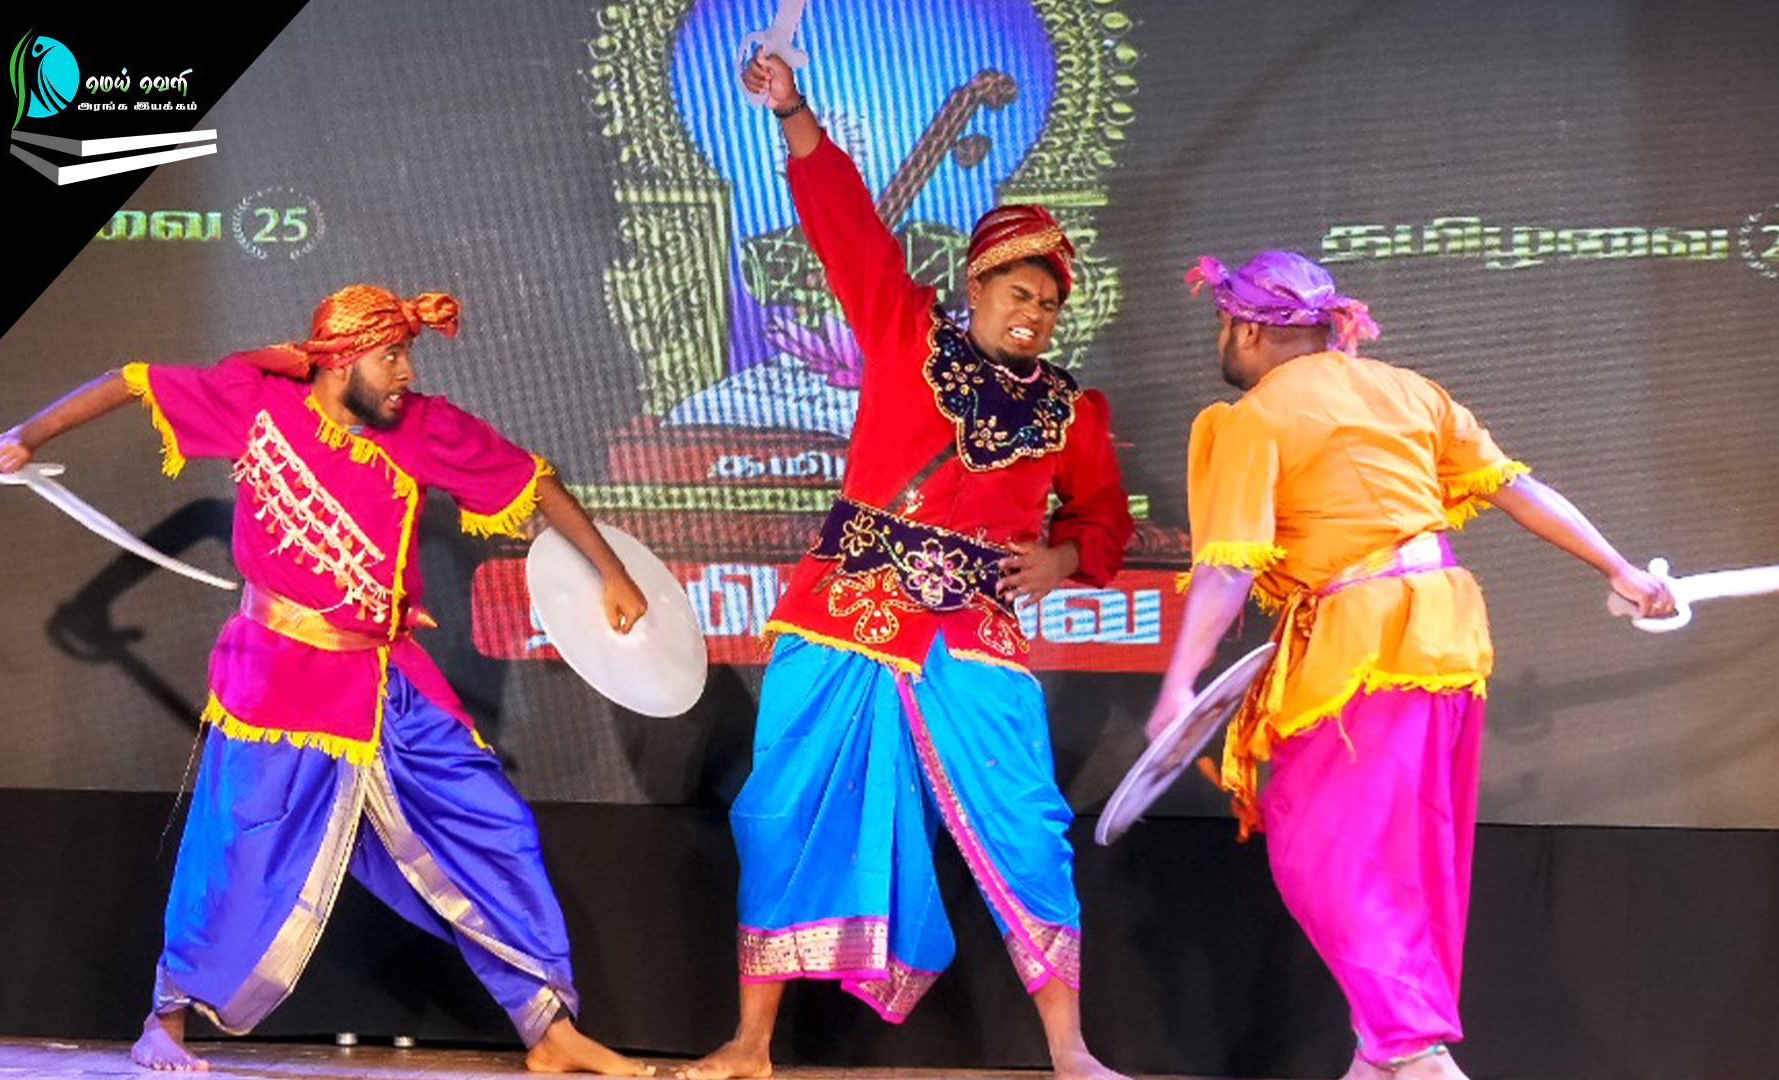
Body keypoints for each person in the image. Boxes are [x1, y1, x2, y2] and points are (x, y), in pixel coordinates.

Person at [0, 285, 656, 1075]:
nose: (406, 374)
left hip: (386, 681)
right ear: (341, 362)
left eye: (406, 355)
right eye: (391, 357)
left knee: (494, 828)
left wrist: (612, 573)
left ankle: (548, 1029)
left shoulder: (423, 428)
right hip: (276, 684)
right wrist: (25, 436)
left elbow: (531, 481)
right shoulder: (257, 405)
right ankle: (165, 1021)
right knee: (239, 855)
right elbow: (131, 380)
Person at [675, 52, 1134, 1080]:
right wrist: (792, 111)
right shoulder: (901, 327)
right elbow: (844, 223)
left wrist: (1061, 556)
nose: (1033, 312)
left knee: (1027, 827)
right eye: (1017, 291)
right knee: (783, 811)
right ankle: (749, 1046)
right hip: (844, 615)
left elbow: (1102, 517)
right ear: (975, 284)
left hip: (973, 638)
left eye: (1048, 303)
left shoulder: (1071, 411)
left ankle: (1071, 1052)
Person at [1144, 251, 1675, 1080]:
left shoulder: (1255, 417)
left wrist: (1180, 682)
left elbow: (1227, 568)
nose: (1222, 340)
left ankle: (1413, 1050)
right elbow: (1518, 489)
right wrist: (1621, 569)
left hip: (1367, 644)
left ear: (1246, 328)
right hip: (1445, 634)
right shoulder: (1408, 390)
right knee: (1402, 854)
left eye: (1222, 325)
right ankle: (1381, 1055)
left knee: (1319, 847)